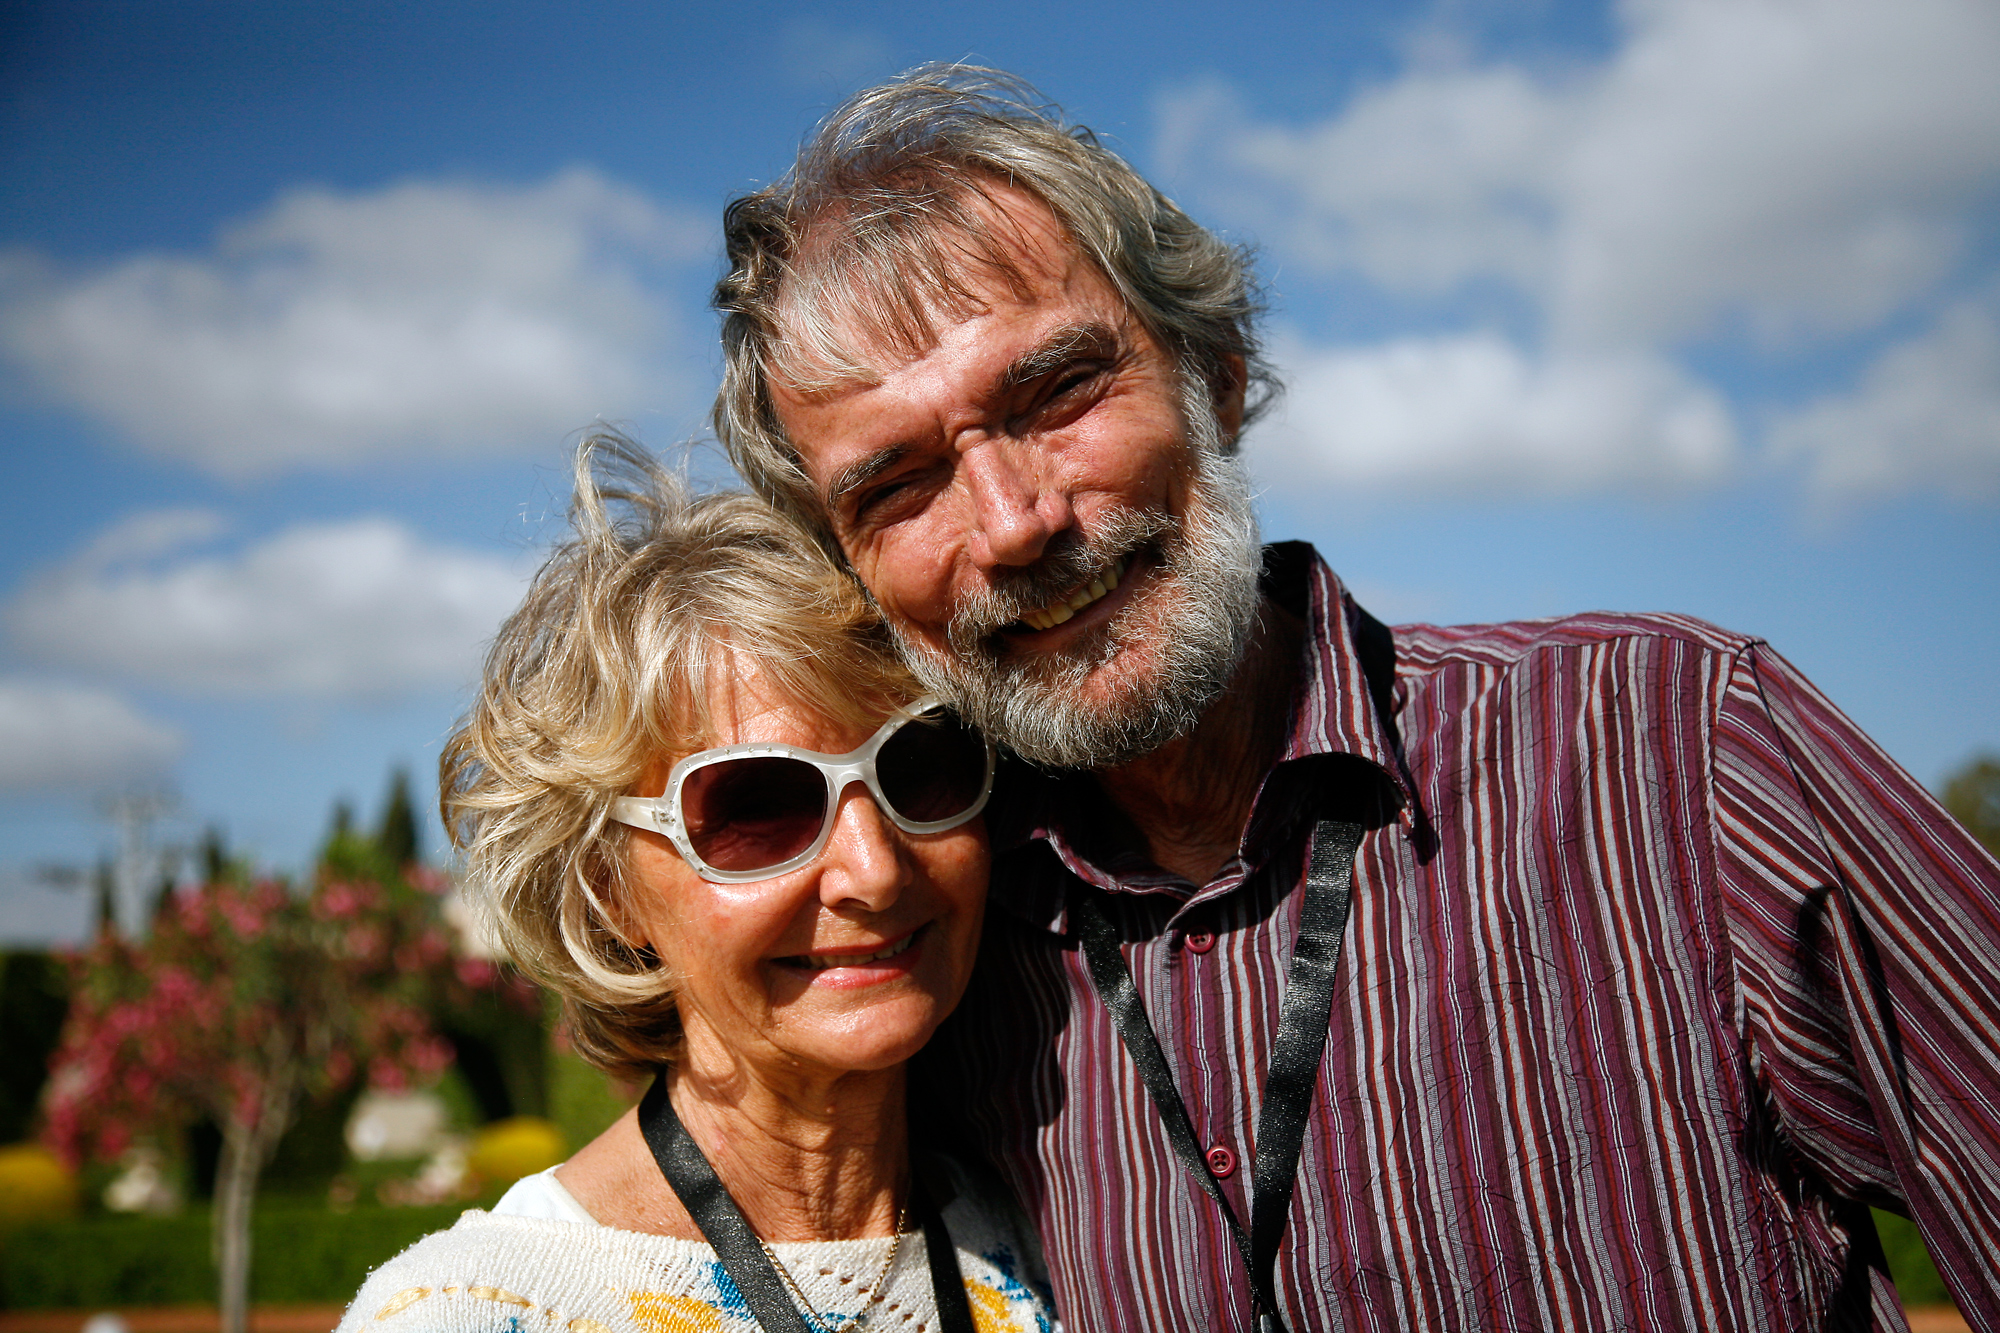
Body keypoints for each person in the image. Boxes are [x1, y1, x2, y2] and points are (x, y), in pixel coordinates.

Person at [709, 64, 2000, 1332]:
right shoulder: (936, 943)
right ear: (853, 569)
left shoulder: (1679, 741)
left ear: (1211, 371)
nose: (1013, 525)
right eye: (898, 485)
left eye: (1056, 395)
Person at [336, 441, 1061, 1333]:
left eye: (924, 766)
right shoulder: (472, 1311)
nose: (875, 869)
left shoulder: (1049, 1235)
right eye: (760, 803)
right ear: (612, 892)